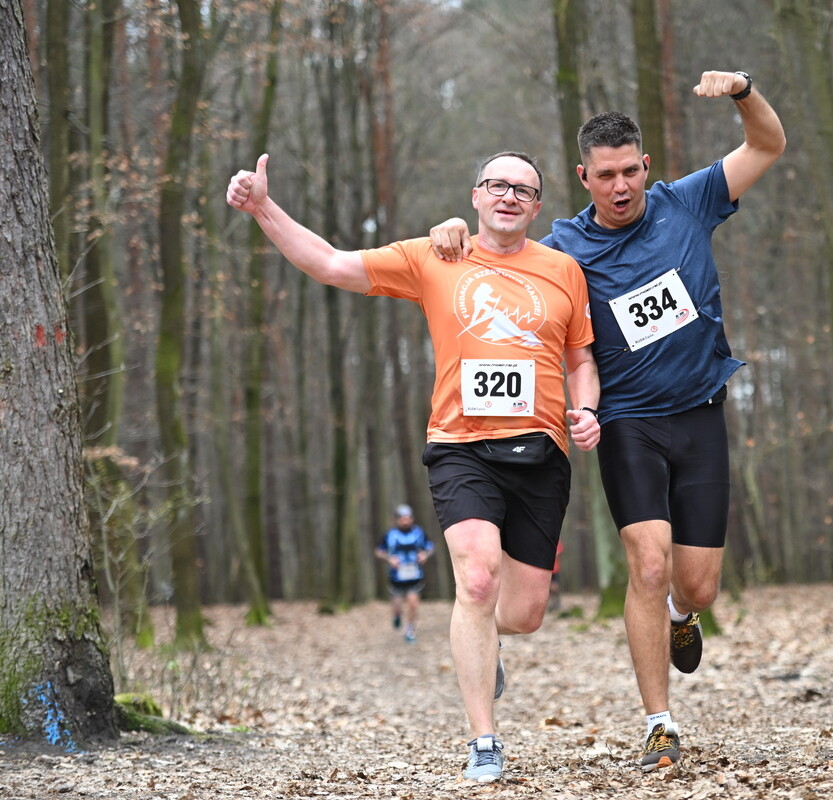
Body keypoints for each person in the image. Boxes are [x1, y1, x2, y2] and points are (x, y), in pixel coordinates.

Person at [430, 70, 785, 772]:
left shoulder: (689, 201)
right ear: (583, 178)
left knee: (697, 585)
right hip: (626, 422)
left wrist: (744, 92)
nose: (620, 187)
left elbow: (768, 145)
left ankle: (683, 616)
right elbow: (499, 256)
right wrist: (453, 233)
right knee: (648, 565)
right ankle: (660, 725)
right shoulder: (563, 248)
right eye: (605, 176)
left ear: (645, 166)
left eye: (630, 172)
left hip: (700, 413)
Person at [227, 150, 601, 784]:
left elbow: (581, 360)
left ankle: (486, 641)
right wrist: (264, 208)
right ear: (476, 196)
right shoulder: (435, 256)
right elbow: (331, 263)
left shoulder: (563, 270)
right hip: (460, 445)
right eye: (497, 185)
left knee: (524, 612)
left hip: (541, 452)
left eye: (523, 190)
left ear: (538, 206)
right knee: (476, 581)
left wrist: (587, 410)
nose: (509, 196)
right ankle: (484, 740)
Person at [374, 504, 435, 641]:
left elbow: (430, 547)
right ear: (397, 519)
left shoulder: (419, 533)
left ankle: (410, 629)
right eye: (402, 518)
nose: (405, 521)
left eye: (408, 518)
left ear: (412, 518)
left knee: (413, 603)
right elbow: (378, 551)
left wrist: (425, 555)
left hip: (415, 575)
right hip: (396, 576)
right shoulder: (390, 534)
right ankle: (397, 615)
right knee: (397, 606)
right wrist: (389, 558)